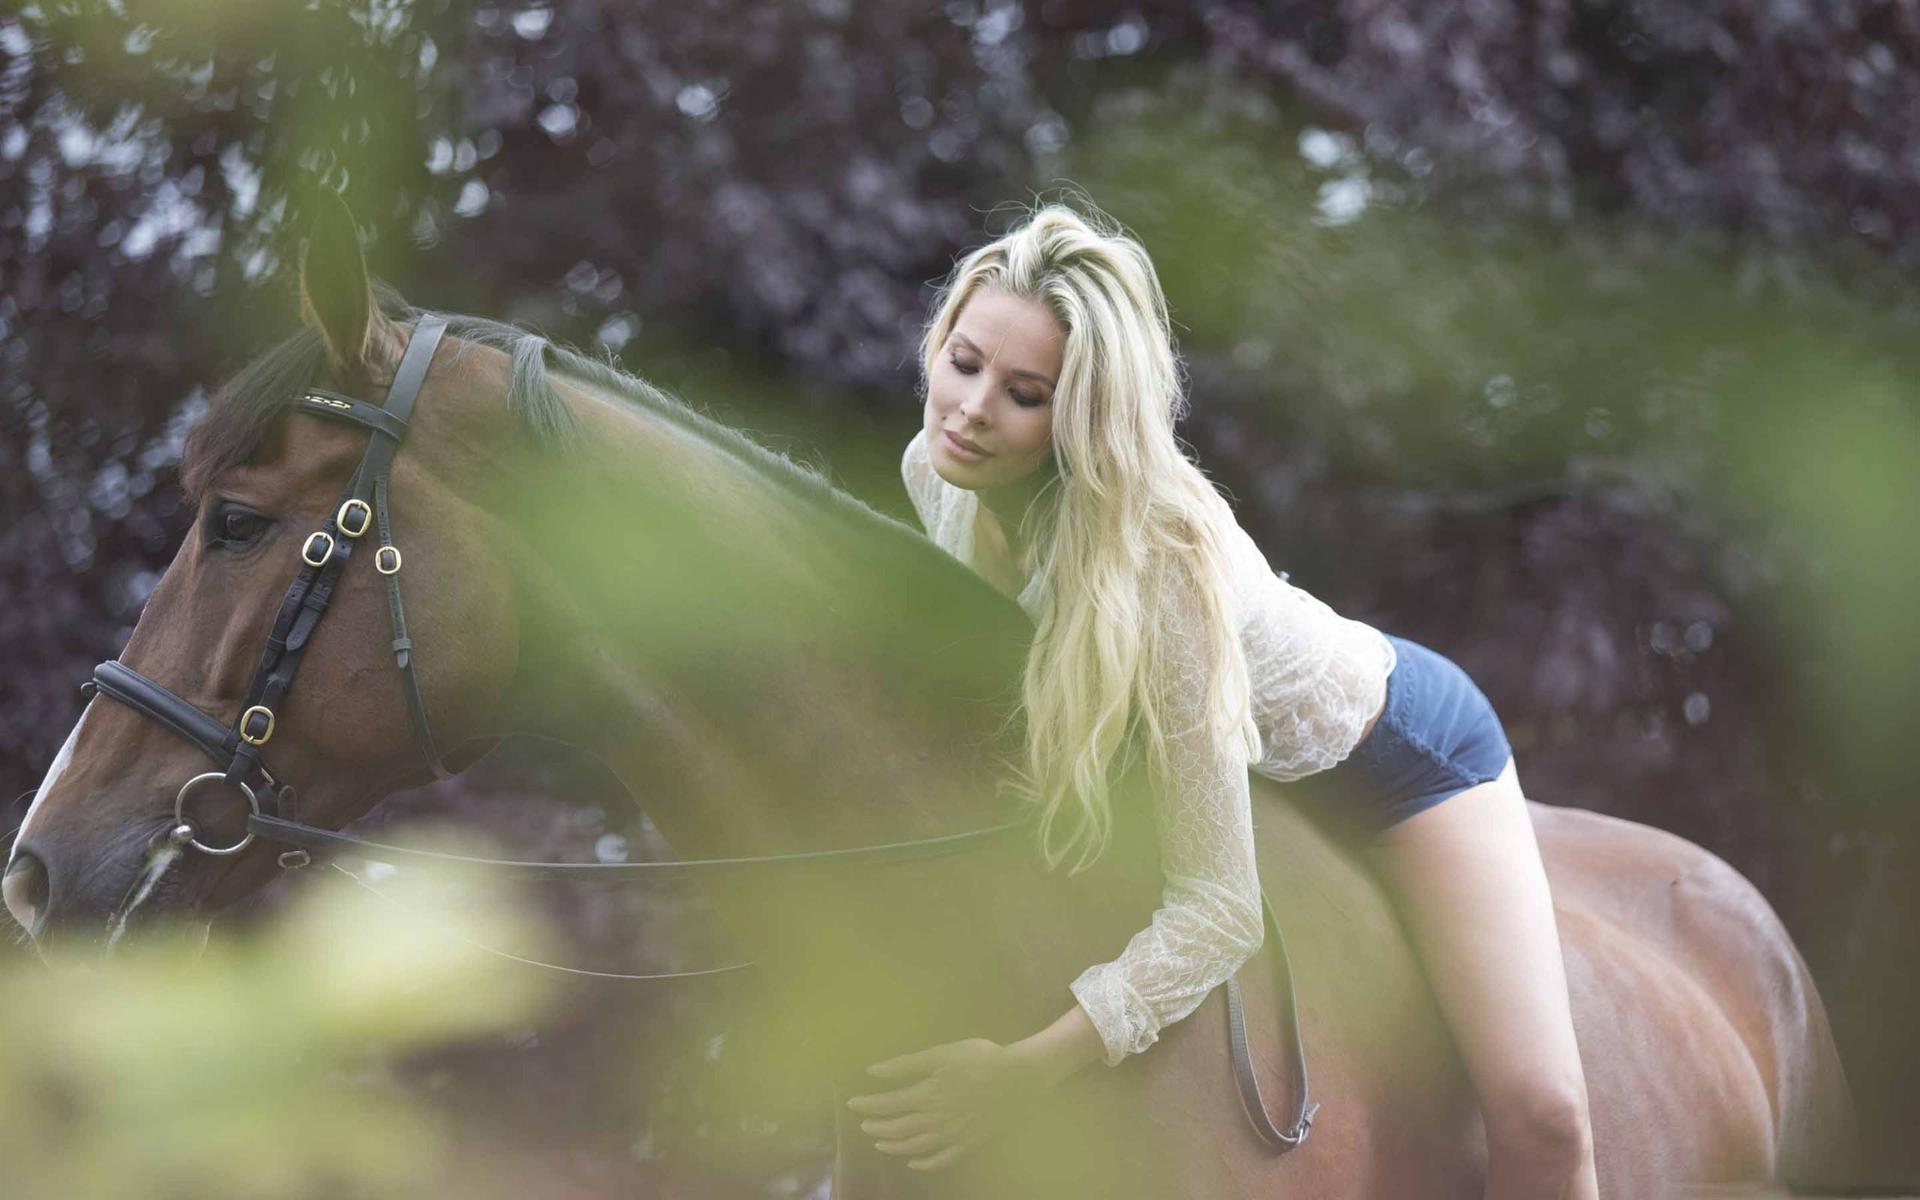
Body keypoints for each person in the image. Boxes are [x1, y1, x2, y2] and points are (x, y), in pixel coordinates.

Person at [844, 202, 1599, 1198]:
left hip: (1398, 762)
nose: (971, 410)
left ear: (1083, 420)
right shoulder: (937, 473)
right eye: (964, 362)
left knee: (1543, 1116)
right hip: (1211, 758)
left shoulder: (1161, 564)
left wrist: (1026, 1071)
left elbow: (1219, 911)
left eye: (1025, 394)